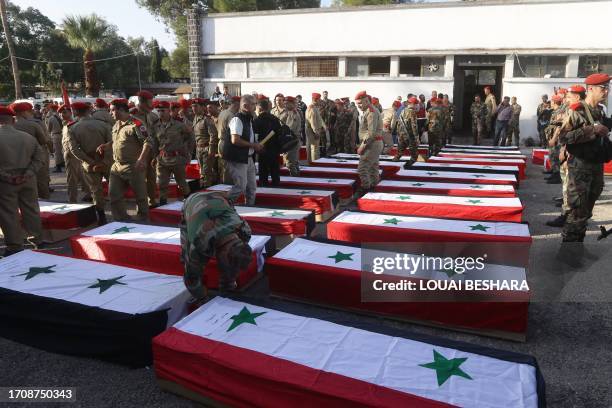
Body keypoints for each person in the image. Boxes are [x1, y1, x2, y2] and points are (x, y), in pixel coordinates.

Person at [556, 74, 610, 267]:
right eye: (602, 88)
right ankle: (567, 254)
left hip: (595, 166)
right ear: (590, 89)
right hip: (580, 168)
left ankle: (577, 248)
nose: (606, 91)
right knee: (577, 211)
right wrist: (592, 131)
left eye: (607, 87)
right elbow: (564, 137)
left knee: (586, 211)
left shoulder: (599, 112)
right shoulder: (577, 110)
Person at [180, 190, 253, 302]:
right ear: (220, 254)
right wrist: (203, 298)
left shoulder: (244, 230)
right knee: (187, 256)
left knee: (232, 263)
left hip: (219, 198)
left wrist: (230, 277)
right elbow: (191, 280)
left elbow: (236, 256)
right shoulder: (198, 243)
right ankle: (185, 259)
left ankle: (227, 282)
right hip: (192, 202)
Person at [0, 106, 45, 257]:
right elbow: (39, 158)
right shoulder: (27, 137)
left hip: (5, 183)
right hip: (27, 179)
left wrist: (7, 177)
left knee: (8, 213)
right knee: (31, 209)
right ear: (13, 120)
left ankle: (15, 245)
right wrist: (28, 174)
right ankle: (37, 239)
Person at [107, 98, 155, 221]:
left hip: (133, 166)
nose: (110, 113)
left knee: (140, 196)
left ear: (121, 110)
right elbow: (118, 140)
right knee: (114, 196)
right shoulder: (116, 124)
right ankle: (121, 220)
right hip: (117, 166)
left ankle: (144, 221)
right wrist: (107, 145)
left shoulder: (136, 124)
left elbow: (148, 141)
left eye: (112, 110)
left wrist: (142, 159)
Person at [66, 102, 112, 225]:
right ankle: (119, 212)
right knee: (114, 187)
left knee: (96, 190)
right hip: (107, 161)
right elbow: (112, 143)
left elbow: (74, 150)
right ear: (89, 110)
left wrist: (91, 162)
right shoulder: (103, 124)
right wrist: (105, 161)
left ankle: (101, 216)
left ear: (75, 112)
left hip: (89, 163)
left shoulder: (72, 128)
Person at [150, 101, 194, 206]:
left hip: (177, 159)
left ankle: (189, 203)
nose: (160, 113)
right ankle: (163, 204)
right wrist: (155, 157)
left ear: (169, 111)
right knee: (162, 184)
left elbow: (190, 137)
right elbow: (155, 143)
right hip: (162, 160)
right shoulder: (155, 126)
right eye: (159, 111)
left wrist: (189, 152)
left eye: (163, 110)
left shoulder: (179, 125)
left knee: (182, 183)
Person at [225, 95, 263, 205]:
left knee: (252, 187)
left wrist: (255, 145)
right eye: (253, 104)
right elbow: (235, 140)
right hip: (238, 158)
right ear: (245, 106)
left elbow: (249, 136)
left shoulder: (248, 119)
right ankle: (224, 205)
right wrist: (253, 145)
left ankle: (250, 207)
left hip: (248, 158)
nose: (255, 107)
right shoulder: (237, 119)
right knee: (240, 186)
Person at [11, 102, 52, 199]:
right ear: (23, 112)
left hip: (17, 158)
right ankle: (46, 205)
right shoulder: (34, 124)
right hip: (36, 157)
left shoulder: (11, 125)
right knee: (41, 181)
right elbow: (44, 141)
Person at [545, 93, 570, 227]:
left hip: (569, 149)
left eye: (568, 97)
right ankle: (566, 208)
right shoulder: (569, 110)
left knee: (570, 184)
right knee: (566, 182)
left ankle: (568, 215)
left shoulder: (572, 110)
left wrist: (557, 141)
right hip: (564, 145)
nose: (566, 100)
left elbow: (562, 127)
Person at [132, 91, 160, 208]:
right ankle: (141, 205)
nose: (152, 104)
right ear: (142, 102)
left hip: (151, 152)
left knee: (151, 178)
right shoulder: (132, 115)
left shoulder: (152, 116)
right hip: (138, 153)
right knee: (139, 180)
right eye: (150, 101)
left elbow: (156, 135)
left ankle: (152, 201)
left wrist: (156, 153)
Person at [60, 104, 91, 204]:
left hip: (72, 154)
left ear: (71, 112)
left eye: (64, 112)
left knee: (71, 179)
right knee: (81, 176)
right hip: (71, 153)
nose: (61, 115)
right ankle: (91, 193)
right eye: (60, 113)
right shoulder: (66, 124)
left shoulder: (73, 125)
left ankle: (72, 200)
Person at [355, 91, 383, 194]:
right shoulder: (369, 111)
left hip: (371, 144)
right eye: (357, 104)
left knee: (362, 168)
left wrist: (362, 147)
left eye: (360, 103)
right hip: (374, 143)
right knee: (373, 168)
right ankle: (374, 188)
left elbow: (370, 133)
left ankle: (366, 189)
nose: (359, 106)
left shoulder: (371, 112)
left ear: (366, 101)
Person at [253, 97, 282, 187]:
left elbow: (255, 137)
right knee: (275, 171)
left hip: (263, 149)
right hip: (274, 149)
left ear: (260, 108)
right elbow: (279, 133)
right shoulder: (275, 119)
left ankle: (264, 188)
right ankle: (276, 188)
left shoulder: (257, 121)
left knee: (263, 172)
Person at [273, 95, 302, 176]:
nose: (285, 105)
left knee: (290, 162)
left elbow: (289, 128)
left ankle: (295, 178)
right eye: (284, 103)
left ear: (292, 104)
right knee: (293, 161)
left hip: (291, 140)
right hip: (289, 140)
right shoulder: (287, 112)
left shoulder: (294, 114)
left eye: (287, 103)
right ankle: (297, 176)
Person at [217, 96, 241, 184]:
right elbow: (233, 134)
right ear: (236, 104)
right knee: (228, 170)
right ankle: (227, 189)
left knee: (223, 168)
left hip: (221, 142)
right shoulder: (232, 116)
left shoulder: (222, 113)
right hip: (227, 143)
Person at [192, 98, 212, 188]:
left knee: (206, 172)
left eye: (196, 106)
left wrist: (211, 150)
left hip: (206, 149)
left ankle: (207, 190)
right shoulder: (195, 118)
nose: (193, 108)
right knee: (201, 172)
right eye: (192, 106)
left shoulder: (206, 119)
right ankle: (203, 188)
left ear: (202, 107)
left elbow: (213, 135)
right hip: (198, 149)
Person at [395, 97, 419, 163]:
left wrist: (399, 133)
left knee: (399, 153)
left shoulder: (403, 110)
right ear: (413, 104)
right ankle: (410, 167)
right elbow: (414, 126)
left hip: (401, 134)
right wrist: (416, 137)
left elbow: (398, 123)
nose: (417, 106)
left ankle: (393, 165)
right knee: (414, 155)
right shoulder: (412, 112)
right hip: (409, 135)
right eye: (416, 104)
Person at [305, 93, 326, 161]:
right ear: (316, 100)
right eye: (319, 100)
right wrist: (316, 132)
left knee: (312, 148)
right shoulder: (312, 108)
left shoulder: (314, 107)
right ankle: (314, 163)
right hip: (312, 131)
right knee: (314, 148)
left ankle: (311, 162)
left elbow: (318, 119)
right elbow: (312, 122)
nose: (320, 101)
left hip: (312, 130)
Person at [46, 104, 64, 173]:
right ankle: (62, 163)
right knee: (62, 151)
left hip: (55, 135)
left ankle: (58, 166)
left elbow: (48, 129)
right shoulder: (61, 115)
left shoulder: (51, 118)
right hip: (62, 134)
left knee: (57, 152)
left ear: (51, 109)